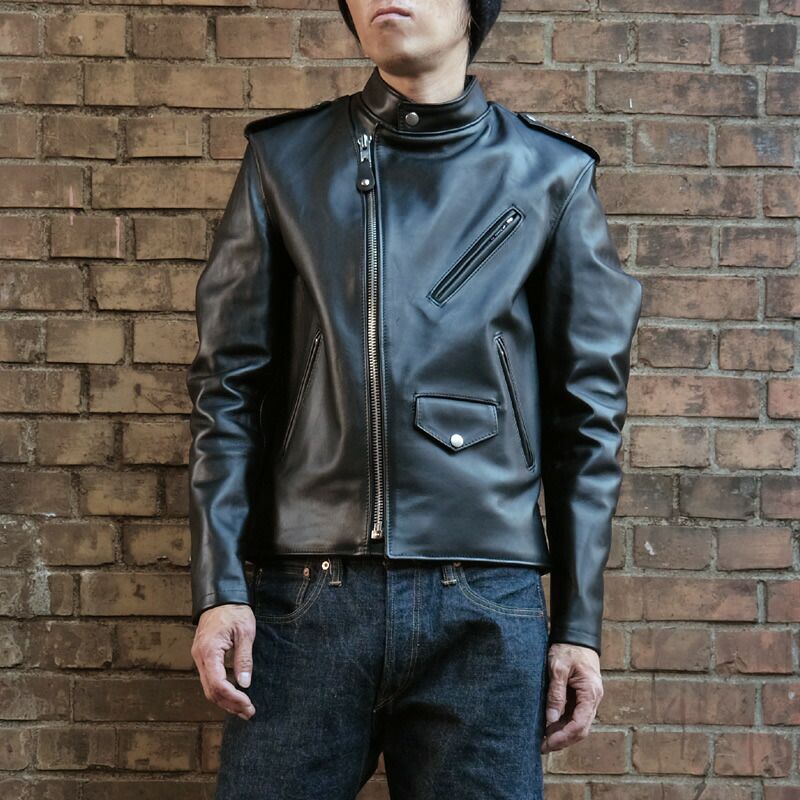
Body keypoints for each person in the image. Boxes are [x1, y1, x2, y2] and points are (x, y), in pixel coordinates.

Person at [186, 1, 643, 797]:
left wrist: (578, 626)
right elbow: (227, 391)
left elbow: (588, 420)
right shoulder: (285, 160)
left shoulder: (550, 175)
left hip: (486, 605)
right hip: (305, 597)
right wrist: (220, 587)